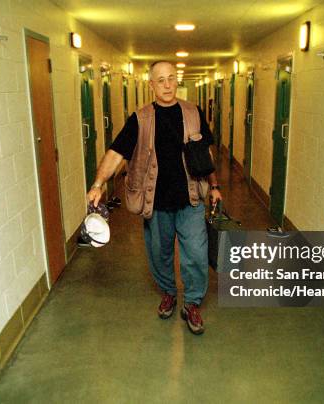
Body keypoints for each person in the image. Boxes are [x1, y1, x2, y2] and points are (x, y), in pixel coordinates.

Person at [86, 60, 222, 335]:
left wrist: (215, 186)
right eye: (161, 80)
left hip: (191, 199)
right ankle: (169, 293)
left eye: (172, 78)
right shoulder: (140, 118)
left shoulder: (194, 113)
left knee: (195, 254)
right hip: (156, 203)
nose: (168, 84)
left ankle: (192, 303)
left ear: (177, 80)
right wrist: (98, 183)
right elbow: (116, 153)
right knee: (159, 255)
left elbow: (205, 155)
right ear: (151, 85)